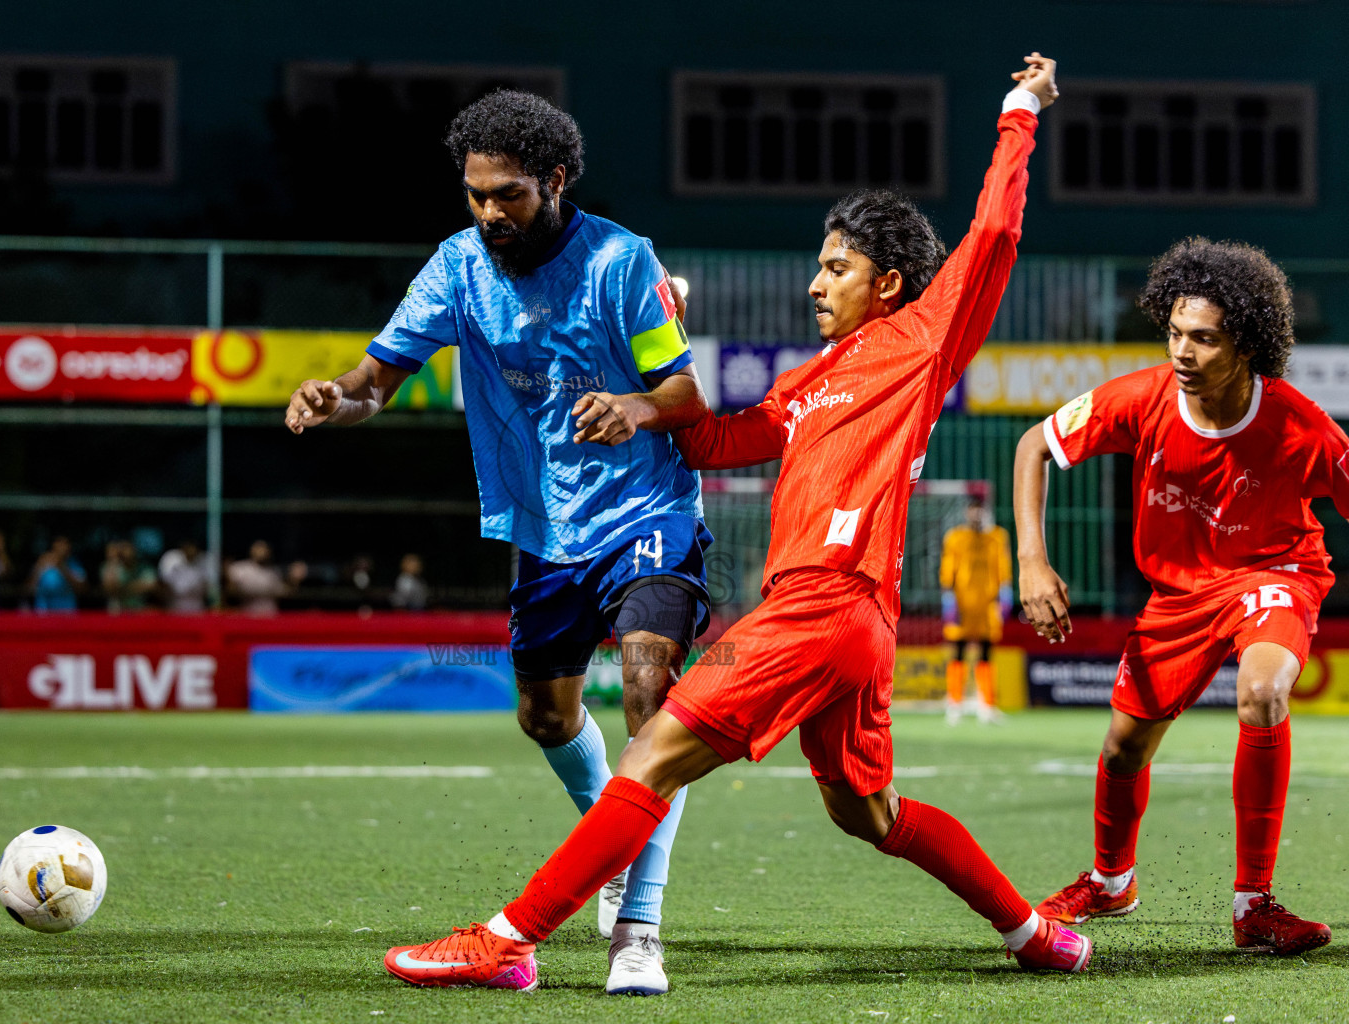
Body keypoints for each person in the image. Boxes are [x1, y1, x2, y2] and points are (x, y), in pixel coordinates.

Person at [383, 55, 1089, 994]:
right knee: (867, 813)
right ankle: (1035, 934)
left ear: (888, 284)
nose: (815, 284)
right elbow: (712, 440)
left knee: (653, 750)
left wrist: (1018, 110)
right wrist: (649, 368)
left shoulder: (922, 340)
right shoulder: (808, 383)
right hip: (853, 624)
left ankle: (509, 939)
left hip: (825, 604)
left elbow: (994, 231)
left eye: (836, 268)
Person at [289, 89, 713, 995]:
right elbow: (376, 381)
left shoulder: (622, 261)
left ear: (554, 181)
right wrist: (337, 398)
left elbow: (684, 396)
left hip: (648, 513)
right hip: (542, 527)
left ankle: (638, 929)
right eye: (476, 194)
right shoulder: (455, 267)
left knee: (651, 695)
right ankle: (613, 834)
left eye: (508, 194)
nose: (490, 212)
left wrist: (634, 407)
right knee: (546, 718)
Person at [1015, 236, 1337, 955]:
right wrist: (1032, 562)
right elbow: (1034, 445)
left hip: (1273, 573)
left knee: (1263, 693)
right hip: (1177, 597)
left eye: (1204, 339)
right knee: (1123, 748)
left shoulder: (1299, 425)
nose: (1182, 352)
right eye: (1174, 332)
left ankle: (1255, 905)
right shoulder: (1142, 398)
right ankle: (1111, 881)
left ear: (1246, 345)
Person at [939, 495, 1013, 724]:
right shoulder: (955, 537)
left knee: (986, 652)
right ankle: (954, 703)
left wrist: (1006, 591)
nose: (977, 514)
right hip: (962, 604)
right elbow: (948, 567)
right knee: (958, 651)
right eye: (973, 510)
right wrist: (948, 596)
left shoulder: (997, 537)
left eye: (980, 510)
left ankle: (987, 705)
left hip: (987, 604)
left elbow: (1003, 565)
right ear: (967, 512)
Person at [225, 539, 307, 615]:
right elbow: (230, 591)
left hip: (269, 617)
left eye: (264, 549)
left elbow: (285, 593)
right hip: (247, 616)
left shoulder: (273, 572)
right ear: (252, 550)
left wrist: (294, 580)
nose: (261, 552)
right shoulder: (240, 568)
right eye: (258, 549)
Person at [30, 535, 85, 613]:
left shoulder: (74, 565)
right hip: (43, 612)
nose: (62, 548)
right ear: (53, 545)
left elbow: (82, 589)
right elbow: (29, 588)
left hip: (67, 612)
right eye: (59, 544)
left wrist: (62, 567)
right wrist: (38, 567)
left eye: (65, 544)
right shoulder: (43, 562)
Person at [102, 539, 159, 613]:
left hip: (139, 609)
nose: (123, 552)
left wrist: (123, 590)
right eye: (121, 549)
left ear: (134, 550)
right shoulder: (111, 567)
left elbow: (152, 586)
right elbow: (111, 590)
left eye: (126, 548)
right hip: (118, 610)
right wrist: (114, 560)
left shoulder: (144, 567)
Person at [159, 540, 212, 613]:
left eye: (193, 549)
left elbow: (209, 586)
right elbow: (164, 584)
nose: (191, 551)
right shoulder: (171, 559)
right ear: (183, 548)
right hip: (175, 604)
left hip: (197, 605)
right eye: (188, 548)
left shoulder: (205, 561)